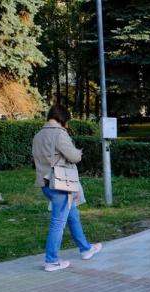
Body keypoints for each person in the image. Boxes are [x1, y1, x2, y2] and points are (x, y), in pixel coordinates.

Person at [32, 105, 102, 272]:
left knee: (73, 216)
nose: (67, 125)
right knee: (58, 223)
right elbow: (74, 156)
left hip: (45, 183)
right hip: (60, 184)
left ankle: (86, 249)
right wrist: (79, 151)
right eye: (67, 121)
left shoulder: (38, 135)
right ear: (62, 119)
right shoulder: (59, 134)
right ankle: (51, 261)